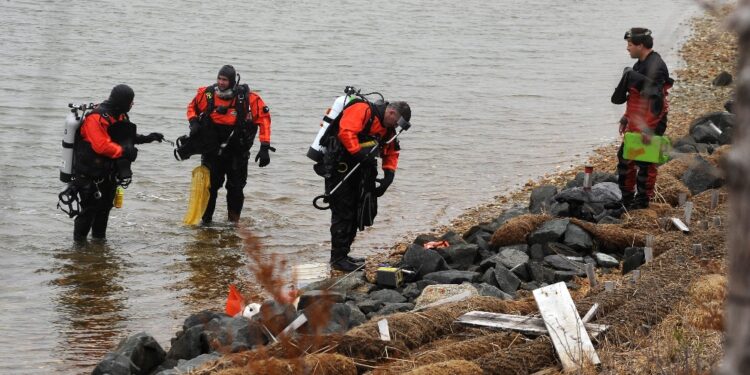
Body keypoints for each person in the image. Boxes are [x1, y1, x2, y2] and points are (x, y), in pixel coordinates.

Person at [323, 98, 411, 272]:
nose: (396, 127)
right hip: (341, 169)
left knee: (359, 211)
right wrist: (359, 153)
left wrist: (389, 174)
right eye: (397, 122)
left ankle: (344, 254)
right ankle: (337, 258)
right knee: (344, 212)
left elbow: (391, 151)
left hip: (361, 171)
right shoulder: (362, 109)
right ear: (392, 113)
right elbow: (346, 132)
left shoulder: (387, 127)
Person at [72, 84, 164, 241]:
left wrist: (148, 138)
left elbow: (125, 137)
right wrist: (124, 152)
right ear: (122, 102)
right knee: (89, 210)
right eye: (130, 101)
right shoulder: (96, 118)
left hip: (108, 174)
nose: (132, 104)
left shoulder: (120, 115)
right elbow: (101, 146)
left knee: (104, 209)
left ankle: (99, 243)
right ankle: (79, 249)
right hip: (89, 174)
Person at [186, 65, 273, 223]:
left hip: (237, 153)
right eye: (219, 79)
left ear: (233, 81)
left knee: (235, 189)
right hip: (212, 151)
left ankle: (233, 223)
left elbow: (264, 120)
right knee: (209, 188)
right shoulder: (207, 95)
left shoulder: (249, 99)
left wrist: (264, 147)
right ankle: (206, 223)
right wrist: (193, 122)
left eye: (225, 80)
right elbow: (192, 107)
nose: (221, 82)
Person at [611, 27, 673, 209]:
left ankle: (642, 201)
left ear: (641, 45)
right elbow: (636, 96)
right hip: (638, 117)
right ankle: (627, 199)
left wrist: (650, 129)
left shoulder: (656, 66)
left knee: (645, 162)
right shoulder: (640, 63)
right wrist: (626, 117)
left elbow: (658, 102)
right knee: (625, 157)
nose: (627, 48)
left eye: (630, 45)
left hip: (652, 119)